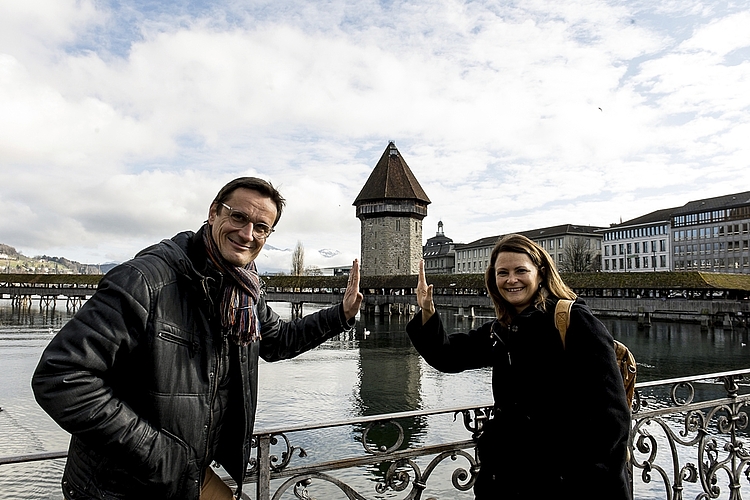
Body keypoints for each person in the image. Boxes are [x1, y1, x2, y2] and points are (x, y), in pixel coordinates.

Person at [32, 177, 363, 500]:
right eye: (238, 217)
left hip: (186, 475)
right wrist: (160, 454)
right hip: (122, 485)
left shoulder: (243, 289)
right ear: (213, 213)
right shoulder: (146, 280)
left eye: (261, 228)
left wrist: (341, 314)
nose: (248, 234)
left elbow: (278, 341)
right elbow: (62, 376)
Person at [407, 234, 631, 499]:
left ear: (541, 273)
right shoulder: (501, 330)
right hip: (505, 480)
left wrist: (585, 479)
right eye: (503, 273)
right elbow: (447, 356)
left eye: (520, 271)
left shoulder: (573, 321)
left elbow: (612, 417)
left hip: (563, 484)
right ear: (494, 279)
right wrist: (427, 312)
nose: (511, 280)